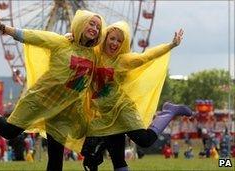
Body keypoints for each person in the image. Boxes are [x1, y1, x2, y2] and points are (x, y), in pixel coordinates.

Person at [0, 7, 104, 171]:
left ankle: (93, 161)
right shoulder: (60, 42)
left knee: (57, 159)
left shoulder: (93, 55)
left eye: (98, 27)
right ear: (80, 23)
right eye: (91, 24)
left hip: (64, 112)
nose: (94, 29)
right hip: (41, 100)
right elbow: (32, 36)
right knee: (9, 132)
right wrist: (3, 27)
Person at [79, 21, 192, 171]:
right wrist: (70, 36)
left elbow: (146, 56)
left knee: (144, 140)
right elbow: (78, 47)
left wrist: (171, 45)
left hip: (122, 110)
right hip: (103, 116)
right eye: (112, 38)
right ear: (104, 38)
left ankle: (169, 111)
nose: (115, 43)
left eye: (120, 40)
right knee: (99, 159)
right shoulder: (93, 55)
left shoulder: (123, 60)